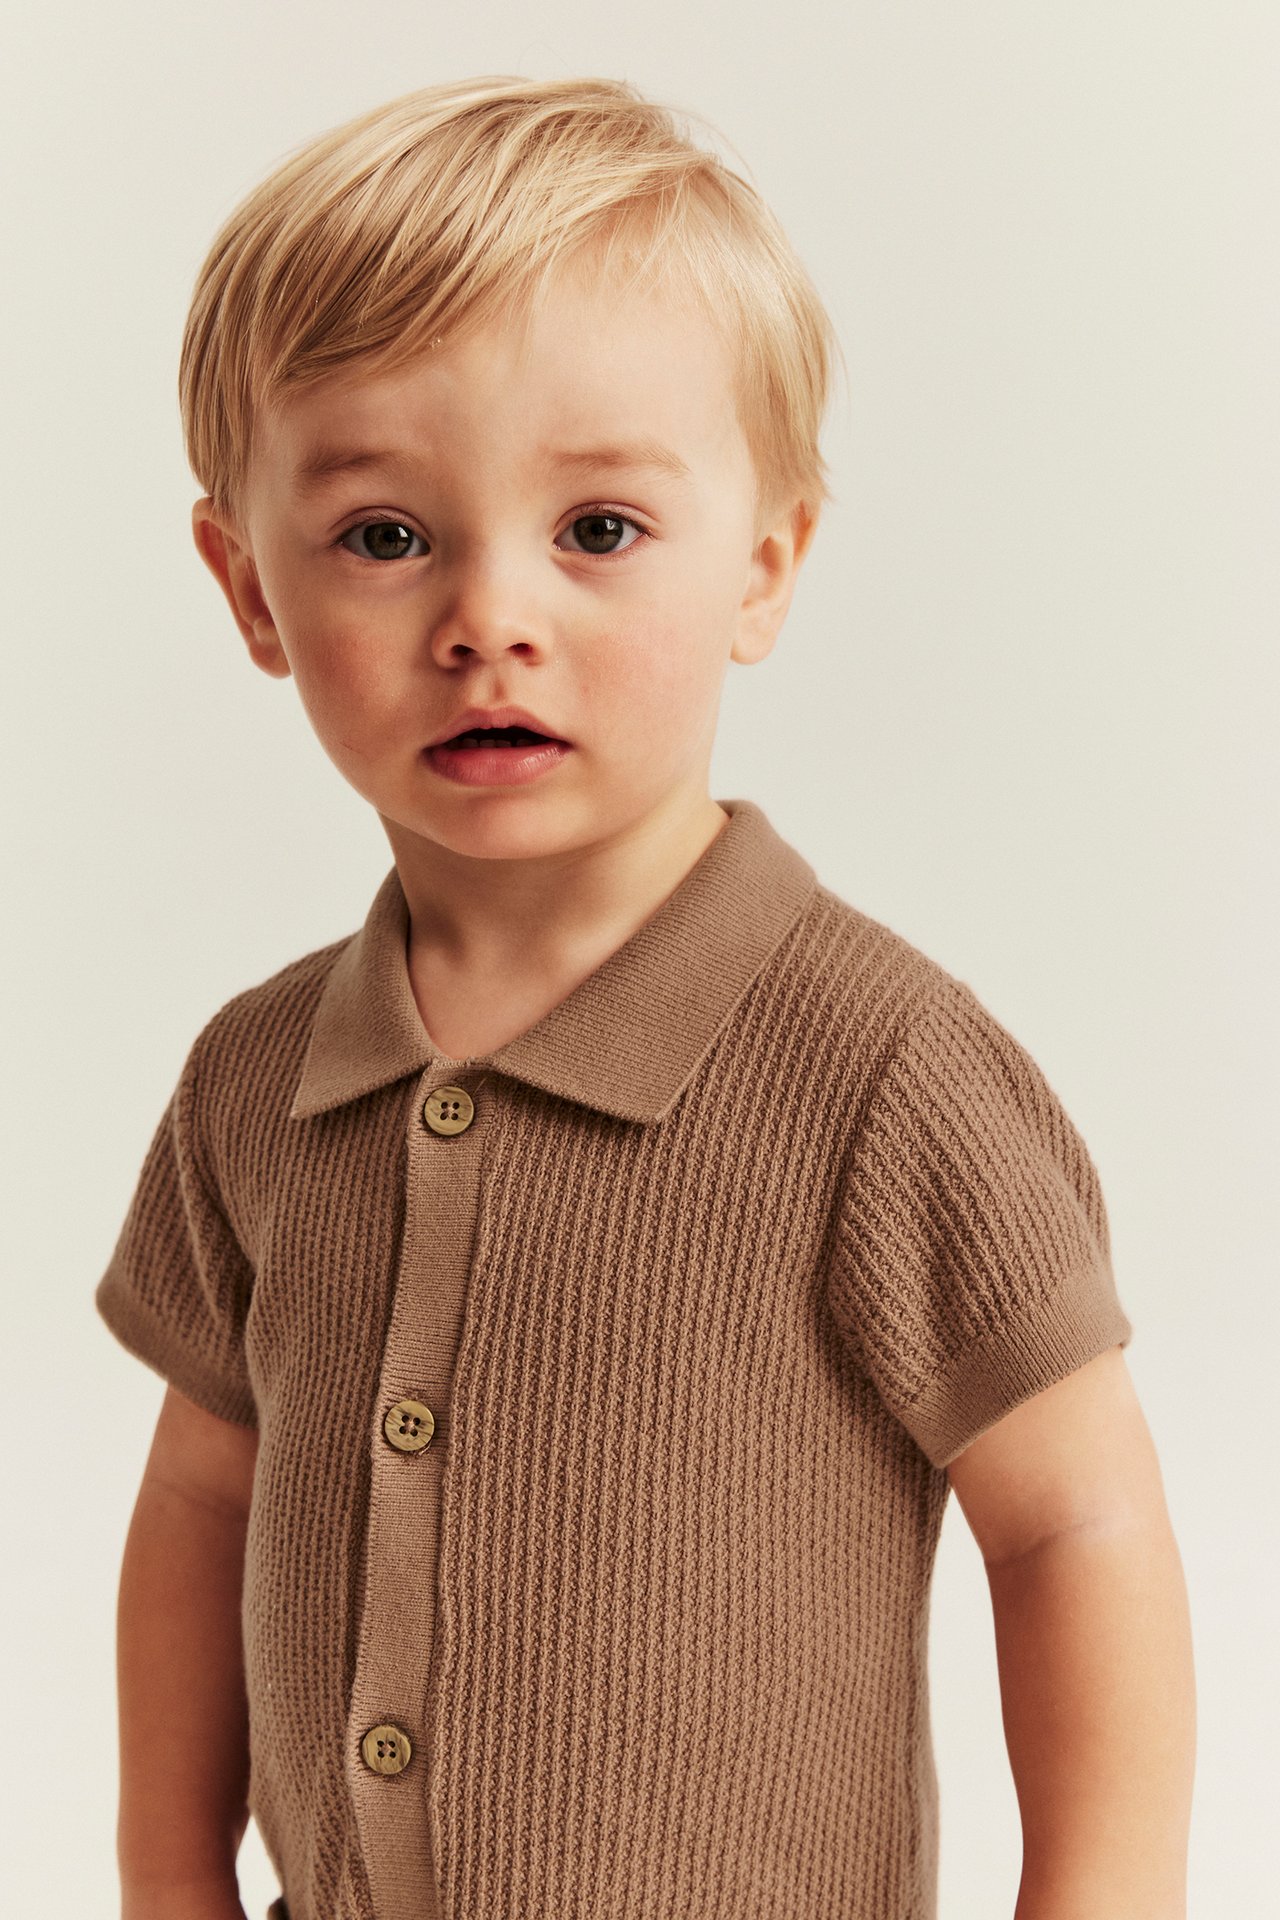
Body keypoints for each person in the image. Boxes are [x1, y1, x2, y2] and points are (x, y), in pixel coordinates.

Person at [95, 75, 1195, 1920]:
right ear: (248, 587)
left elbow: (1077, 1522)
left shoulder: (880, 1072)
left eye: (598, 530)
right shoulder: (258, 1078)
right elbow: (204, 1503)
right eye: (384, 534)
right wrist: (164, 1884)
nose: (489, 615)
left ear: (763, 564)